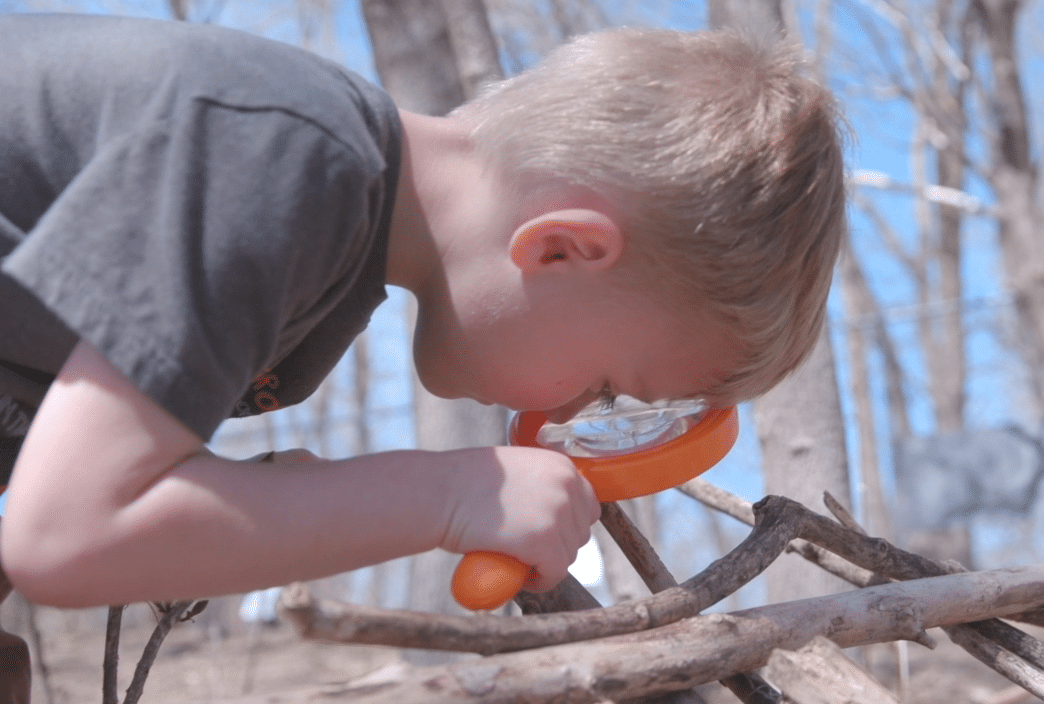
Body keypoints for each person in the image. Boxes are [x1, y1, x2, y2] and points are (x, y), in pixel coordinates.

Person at [0, 13, 846, 612]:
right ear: (557, 248)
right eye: (606, 385)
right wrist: (444, 495)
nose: (567, 416)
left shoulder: (325, 258)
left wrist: (248, 507)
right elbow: (66, 539)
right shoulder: (283, 158)